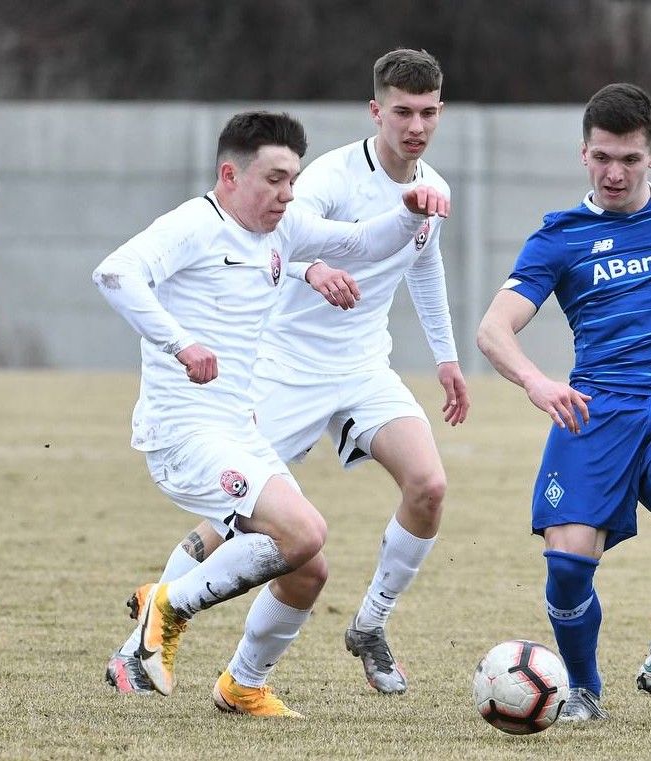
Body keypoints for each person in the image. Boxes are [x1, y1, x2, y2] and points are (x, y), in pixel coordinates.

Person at [106, 48, 469, 699]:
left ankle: (258, 677)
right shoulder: (235, 210)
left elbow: (372, 246)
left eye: (427, 112)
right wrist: (187, 338)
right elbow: (122, 272)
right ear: (375, 111)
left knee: (348, 535)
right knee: (267, 528)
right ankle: (157, 619)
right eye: (274, 178)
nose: (286, 192)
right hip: (244, 393)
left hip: (335, 378)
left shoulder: (317, 214)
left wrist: (413, 213)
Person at [477, 82, 651, 722]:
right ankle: (582, 691)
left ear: (649, 156)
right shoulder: (561, 237)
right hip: (596, 408)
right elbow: (493, 330)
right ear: (584, 154)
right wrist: (537, 381)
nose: (614, 172)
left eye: (630, 159)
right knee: (568, 567)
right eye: (603, 157)